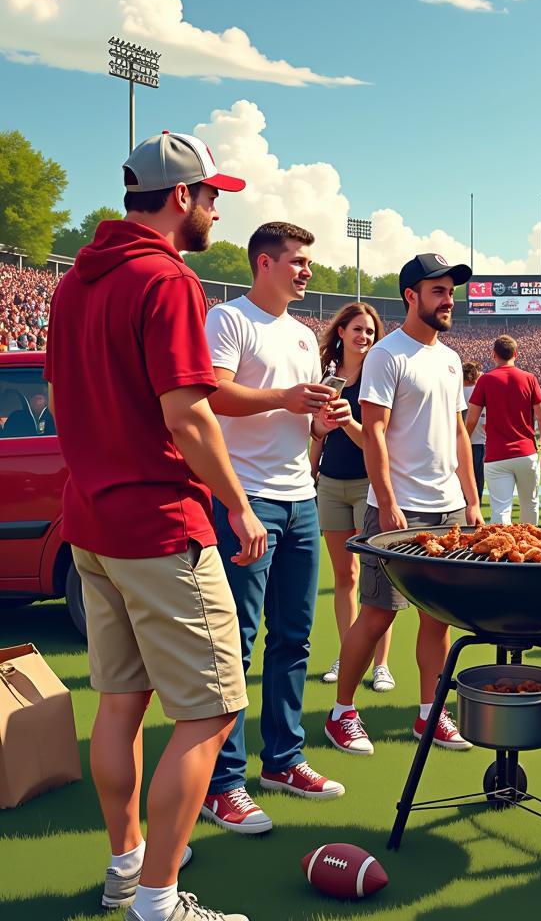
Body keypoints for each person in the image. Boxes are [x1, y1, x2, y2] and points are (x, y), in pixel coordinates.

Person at [45, 131, 263, 921]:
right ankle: (158, 900)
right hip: (159, 525)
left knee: (120, 701)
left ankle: (126, 866)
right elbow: (189, 414)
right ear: (181, 197)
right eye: (212, 195)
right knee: (211, 710)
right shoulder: (167, 278)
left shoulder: (74, 283)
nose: (214, 209)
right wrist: (237, 502)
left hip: (91, 524)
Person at [200, 222, 344, 835]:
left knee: (295, 638)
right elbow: (212, 395)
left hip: (300, 497)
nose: (307, 270)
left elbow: (299, 420)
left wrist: (323, 420)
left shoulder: (305, 335)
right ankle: (221, 782)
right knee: (237, 642)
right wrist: (285, 397)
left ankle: (282, 760)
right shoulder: (229, 319)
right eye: (298, 260)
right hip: (246, 498)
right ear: (265, 262)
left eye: (309, 261)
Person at [325, 253, 483, 756]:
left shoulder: (451, 358)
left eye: (450, 290)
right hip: (396, 510)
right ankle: (342, 712)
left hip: (449, 509)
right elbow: (371, 429)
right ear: (411, 296)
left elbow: (459, 431)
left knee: (439, 619)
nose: (448, 299)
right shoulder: (386, 355)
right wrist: (388, 500)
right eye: (437, 290)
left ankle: (429, 715)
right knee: (376, 614)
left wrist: (471, 499)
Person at [311, 303, 394, 693]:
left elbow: (374, 443)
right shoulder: (326, 375)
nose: (365, 337)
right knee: (344, 577)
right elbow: (317, 434)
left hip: (368, 483)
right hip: (330, 483)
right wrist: (311, 470)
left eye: (371, 332)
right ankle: (348, 653)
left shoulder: (377, 377)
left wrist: (348, 420)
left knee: (376, 581)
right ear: (341, 331)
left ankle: (380, 664)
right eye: (358, 329)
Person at [465, 335, 541, 524]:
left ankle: (501, 550)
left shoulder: (485, 380)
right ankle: (530, 549)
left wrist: (462, 447)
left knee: (501, 509)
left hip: (496, 455)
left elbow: (471, 420)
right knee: (530, 505)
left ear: (494, 355)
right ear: (516, 354)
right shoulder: (529, 378)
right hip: (526, 452)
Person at [462, 361, 486, 505]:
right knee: (477, 480)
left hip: (458, 442)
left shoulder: (456, 391)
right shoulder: (480, 390)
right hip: (478, 441)